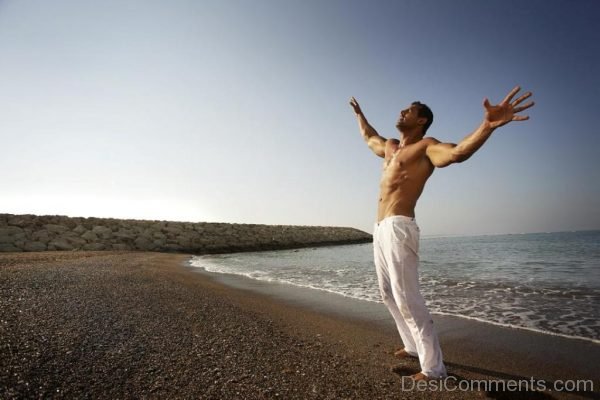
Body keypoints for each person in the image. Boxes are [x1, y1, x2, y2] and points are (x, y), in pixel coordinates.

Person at [349, 87, 534, 381]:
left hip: (399, 227)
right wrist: (360, 115)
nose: (402, 112)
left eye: (408, 110)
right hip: (379, 228)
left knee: (408, 298)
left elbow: (458, 152)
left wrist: (487, 126)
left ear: (421, 121)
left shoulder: (426, 148)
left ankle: (433, 368)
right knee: (387, 294)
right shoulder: (390, 147)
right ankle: (412, 346)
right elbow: (368, 136)